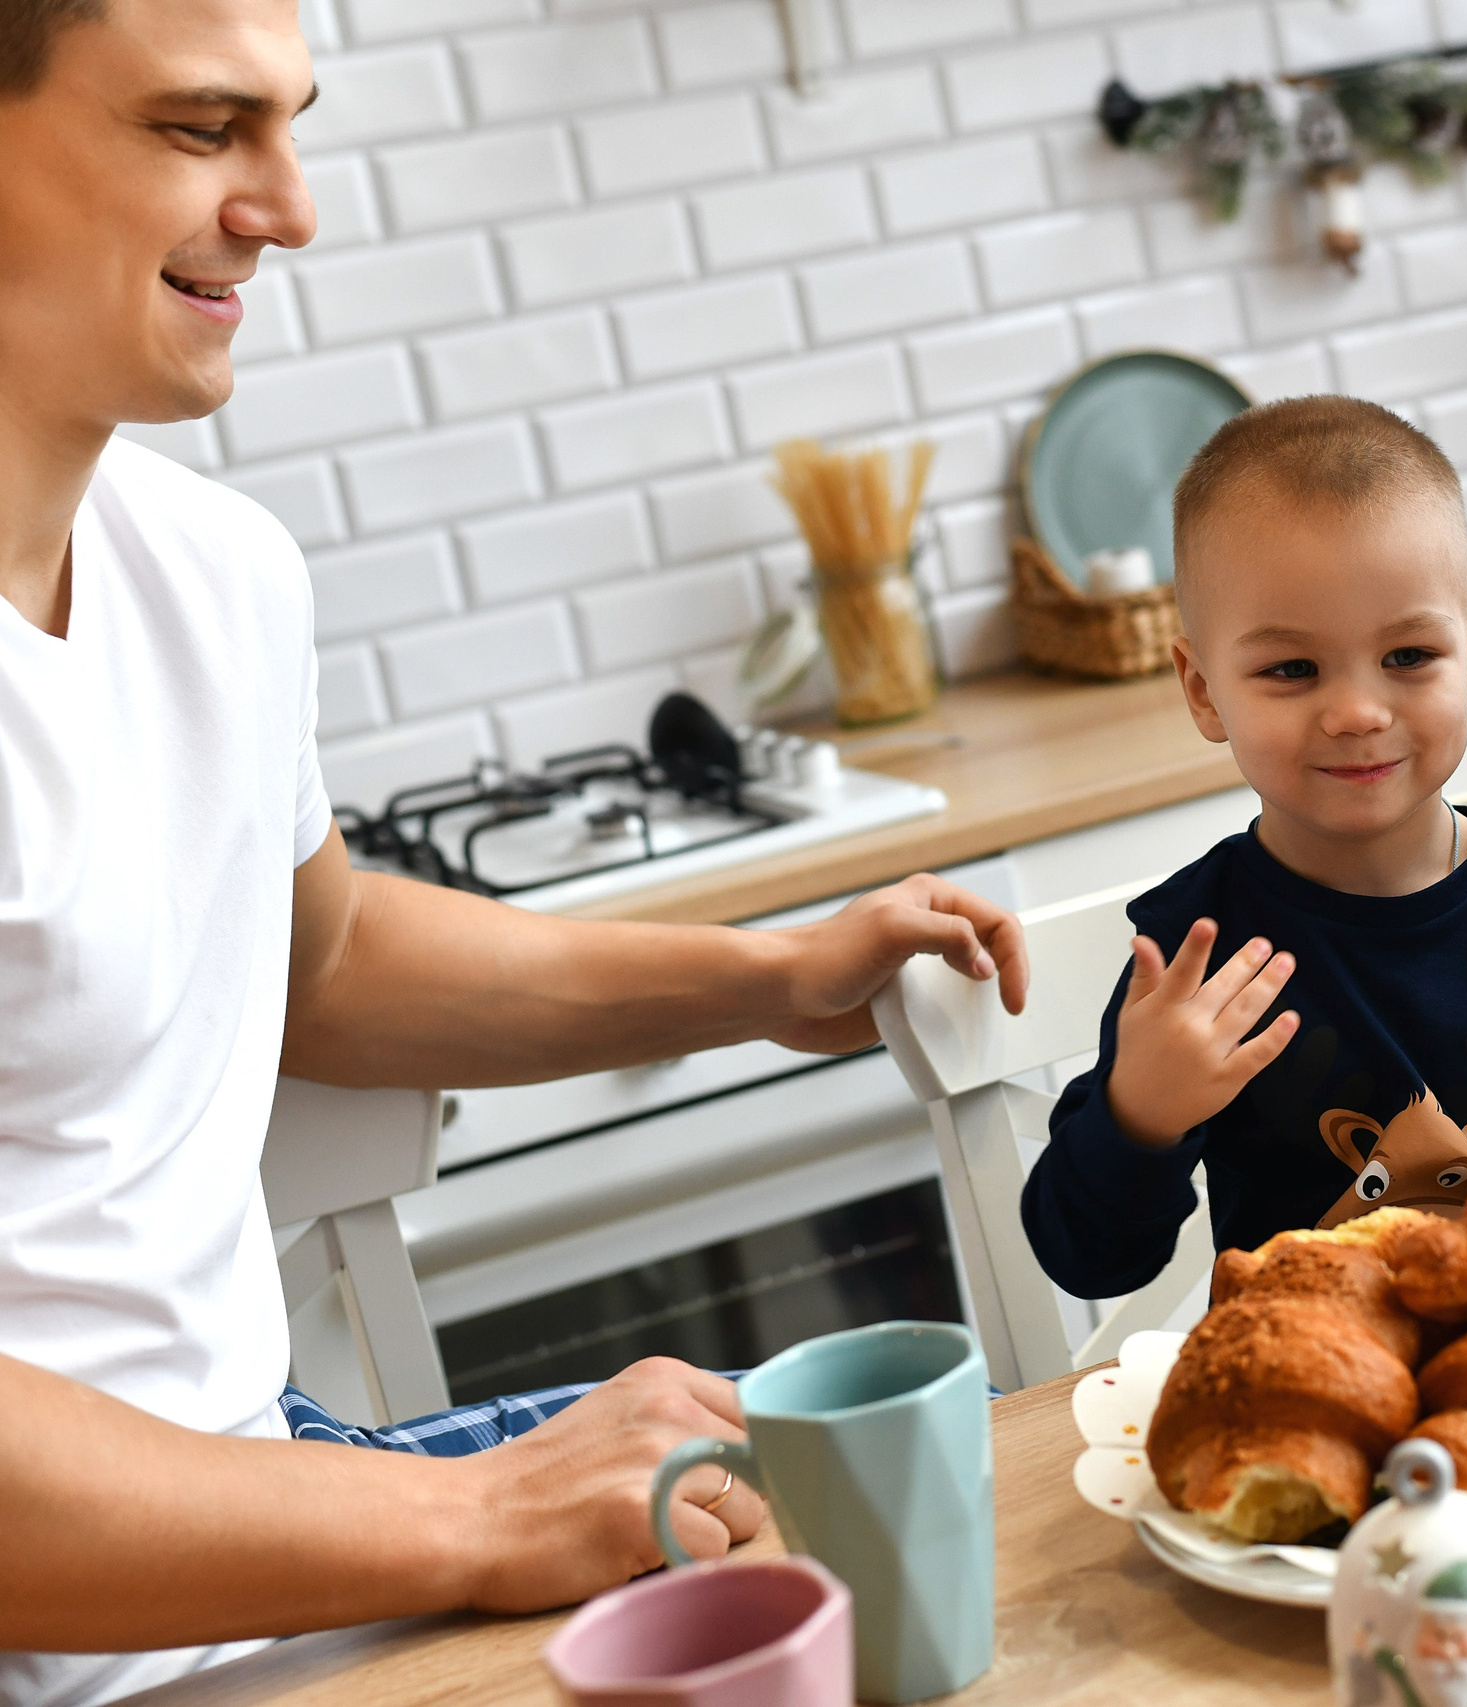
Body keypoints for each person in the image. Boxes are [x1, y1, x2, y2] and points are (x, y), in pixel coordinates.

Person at [0, 4, 1026, 1702]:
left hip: (280, 1508)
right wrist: (477, 1511)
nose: (292, 205)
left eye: (290, 124)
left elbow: (319, 961)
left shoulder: (213, 570)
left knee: (954, 1524)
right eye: (200, 130)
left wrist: (767, 978)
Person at [1020, 397, 1467, 1298]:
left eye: (1409, 655)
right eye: (1292, 669)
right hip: (1309, 1385)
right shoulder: (1193, 956)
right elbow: (1090, 1260)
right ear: (1203, 689)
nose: (1358, 712)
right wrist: (1138, 1115)